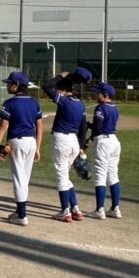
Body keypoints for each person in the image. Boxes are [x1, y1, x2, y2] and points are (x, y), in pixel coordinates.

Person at [0, 70, 43, 226]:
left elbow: (3, 126)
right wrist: (38, 147)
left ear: (16, 85)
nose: (7, 86)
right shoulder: (34, 102)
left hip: (17, 142)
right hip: (31, 142)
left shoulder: (10, 103)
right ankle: (19, 210)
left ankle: (22, 215)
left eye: (9, 83)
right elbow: (39, 127)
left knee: (19, 179)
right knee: (24, 179)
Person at [42, 69, 90, 222]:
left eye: (58, 89)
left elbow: (46, 86)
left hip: (62, 140)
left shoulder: (64, 101)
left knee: (61, 176)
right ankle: (75, 209)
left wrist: (60, 76)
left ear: (62, 89)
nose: (57, 91)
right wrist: (81, 146)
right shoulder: (80, 104)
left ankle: (65, 211)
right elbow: (83, 128)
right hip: (74, 142)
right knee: (65, 175)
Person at [87, 82, 122, 219]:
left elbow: (97, 128)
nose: (96, 95)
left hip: (103, 142)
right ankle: (115, 208)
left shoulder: (101, 108)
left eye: (98, 93)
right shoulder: (115, 108)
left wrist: (87, 125)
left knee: (100, 175)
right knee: (113, 175)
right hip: (114, 141)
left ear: (105, 95)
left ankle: (99, 210)